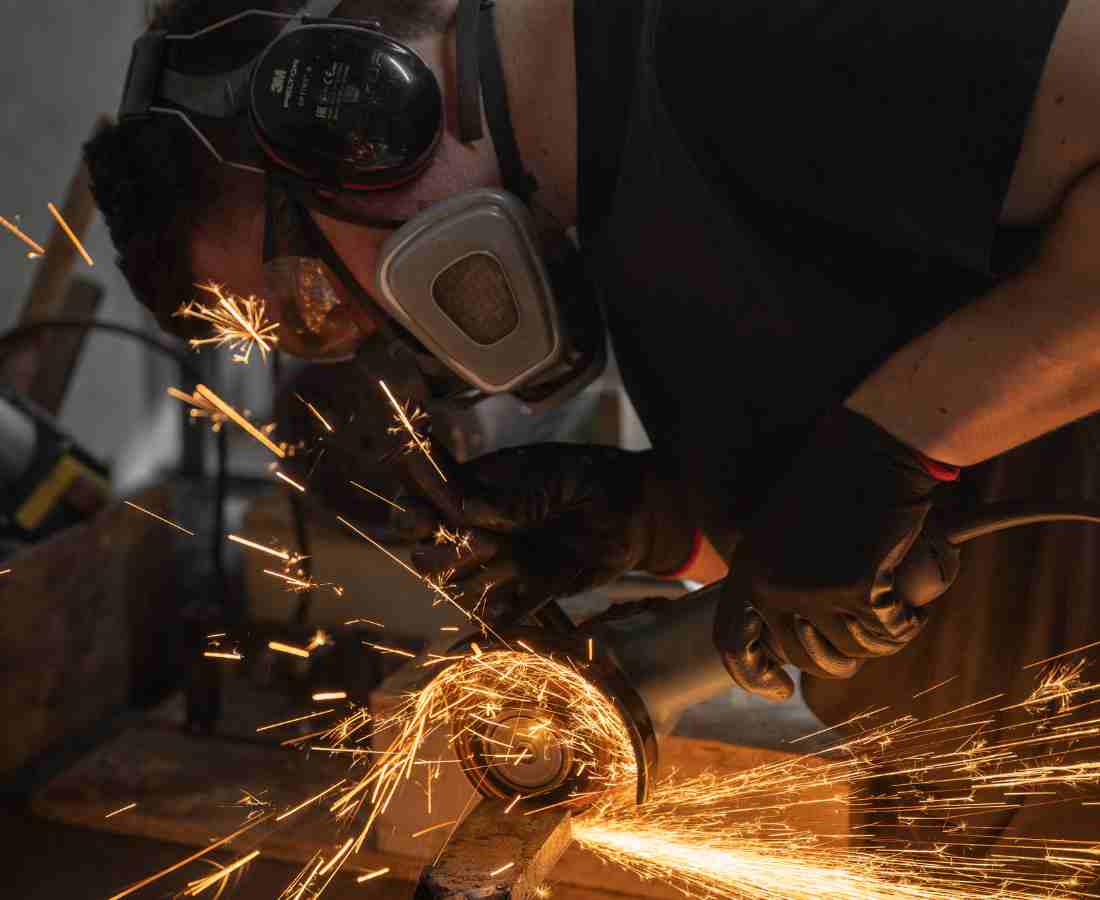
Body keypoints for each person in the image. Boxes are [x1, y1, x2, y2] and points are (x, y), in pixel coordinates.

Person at [87, 0, 1100, 879]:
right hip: (995, 809)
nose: (357, 332)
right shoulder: (611, 189)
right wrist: (659, 520)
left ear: (351, 106)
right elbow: (866, 532)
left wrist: (894, 442)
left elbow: (897, 456)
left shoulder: (737, 35)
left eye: (307, 293)